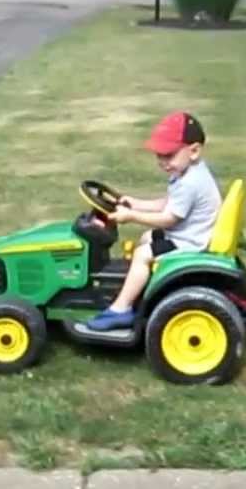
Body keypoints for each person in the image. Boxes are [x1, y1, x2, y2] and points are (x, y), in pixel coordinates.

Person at [83, 111, 222, 331]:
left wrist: (131, 216)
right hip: (189, 232)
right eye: (159, 156)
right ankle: (139, 286)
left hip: (189, 241)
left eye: (169, 155)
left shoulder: (190, 183)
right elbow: (167, 203)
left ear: (194, 150)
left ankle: (121, 309)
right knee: (147, 238)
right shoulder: (188, 172)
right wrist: (134, 203)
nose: (163, 162)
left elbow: (168, 218)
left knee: (142, 254)